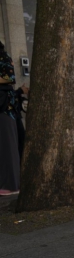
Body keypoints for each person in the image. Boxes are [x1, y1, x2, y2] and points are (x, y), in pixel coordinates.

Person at [0, 40, 20, 196]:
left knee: (8, 146)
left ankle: (12, 185)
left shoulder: (3, 57)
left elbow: (9, 78)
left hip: (5, 109)